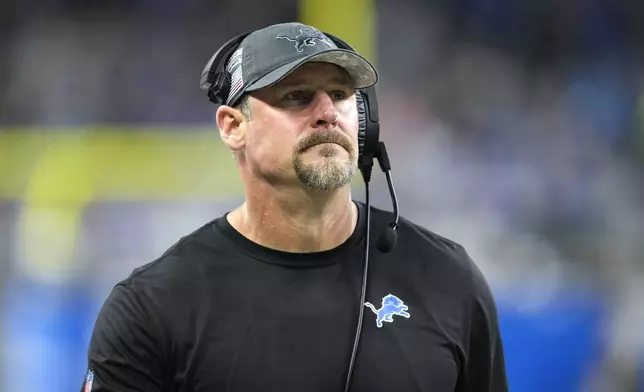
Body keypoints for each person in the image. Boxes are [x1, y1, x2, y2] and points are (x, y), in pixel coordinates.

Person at [80, 22, 508, 392]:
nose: (328, 113)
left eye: (341, 94)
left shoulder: (449, 280)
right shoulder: (154, 308)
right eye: (296, 97)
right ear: (233, 127)